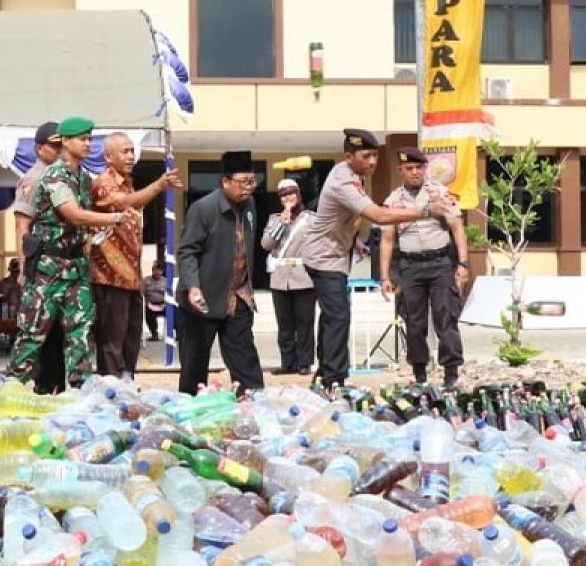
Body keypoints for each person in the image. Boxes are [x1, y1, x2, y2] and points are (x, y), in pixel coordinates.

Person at [301, 128, 450, 390]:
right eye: (366, 156)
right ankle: (334, 380)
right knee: (338, 316)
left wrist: (353, 239)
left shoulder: (354, 174)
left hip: (336, 250)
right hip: (324, 257)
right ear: (349, 156)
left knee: (331, 316)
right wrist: (426, 210)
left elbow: (345, 216)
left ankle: (325, 374)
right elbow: (379, 217)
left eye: (375, 156)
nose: (372, 162)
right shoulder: (344, 182)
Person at [7, 117, 138, 390]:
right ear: (65, 141)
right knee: (33, 334)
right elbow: (74, 215)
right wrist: (115, 218)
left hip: (76, 266)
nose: (88, 143)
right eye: (82, 139)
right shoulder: (54, 175)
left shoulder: (83, 177)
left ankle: (81, 392)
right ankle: (12, 389)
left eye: (90, 139)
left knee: (81, 332)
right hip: (48, 268)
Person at [88, 132, 180, 377]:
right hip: (110, 278)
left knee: (131, 337)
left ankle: (126, 381)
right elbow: (126, 203)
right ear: (108, 157)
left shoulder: (128, 181)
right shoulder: (104, 183)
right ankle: (111, 388)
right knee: (111, 341)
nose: (131, 156)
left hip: (131, 278)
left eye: (132, 151)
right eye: (124, 151)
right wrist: (160, 184)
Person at [378, 147, 468, 390]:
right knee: (413, 322)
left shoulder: (439, 193)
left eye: (419, 167)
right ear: (400, 171)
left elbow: (458, 228)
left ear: (425, 168)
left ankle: (451, 372)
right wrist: (385, 276)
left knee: (445, 318)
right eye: (409, 168)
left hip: (440, 264)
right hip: (410, 266)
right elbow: (387, 240)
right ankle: (419, 373)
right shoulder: (392, 201)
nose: (415, 172)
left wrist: (463, 263)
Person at [176, 150, 265, 395]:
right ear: (225, 181)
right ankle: (192, 415)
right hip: (202, 299)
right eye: (243, 182)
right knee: (194, 369)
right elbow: (187, 251)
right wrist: (193, 286)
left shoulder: (251, 205)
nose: (248, 188)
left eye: (252, 182)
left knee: (245, 361)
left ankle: (254, 407)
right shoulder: (202, 209)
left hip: (238, 296)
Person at [12, 121, 66, 394]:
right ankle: (41, 387)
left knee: (59, 331)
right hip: (41, 265)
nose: (58, 150)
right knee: (39, 329)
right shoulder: (34, 179)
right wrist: (23, 268)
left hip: (63, 268)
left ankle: (57, 385)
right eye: (53, 145)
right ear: (39, 148)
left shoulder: (63, 176)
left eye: (61, 145)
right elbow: (23, 226)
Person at [261, 177, 316, 376]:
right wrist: (282, 224)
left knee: (304, 323)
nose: (288, 198)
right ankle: (287, 362)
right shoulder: (274, 219)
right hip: (280, 278)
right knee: (284, 324)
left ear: (298, 194)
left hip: (304, 276)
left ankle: (304, 362)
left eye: (291, 193)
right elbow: (266, 245)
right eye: (284, 195)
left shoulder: (310, 218)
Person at [142, 262, 166, 341]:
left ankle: (178, 333)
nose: (157, 272)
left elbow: (170, 294)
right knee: (147, 312)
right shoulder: (146, 280)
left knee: (174, 311)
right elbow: (142, 293)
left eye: (159, 270)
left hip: (163, 304)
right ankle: (154, 334)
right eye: (155, 270)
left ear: (162, 271)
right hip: (150, 304)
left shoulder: (166, 281)